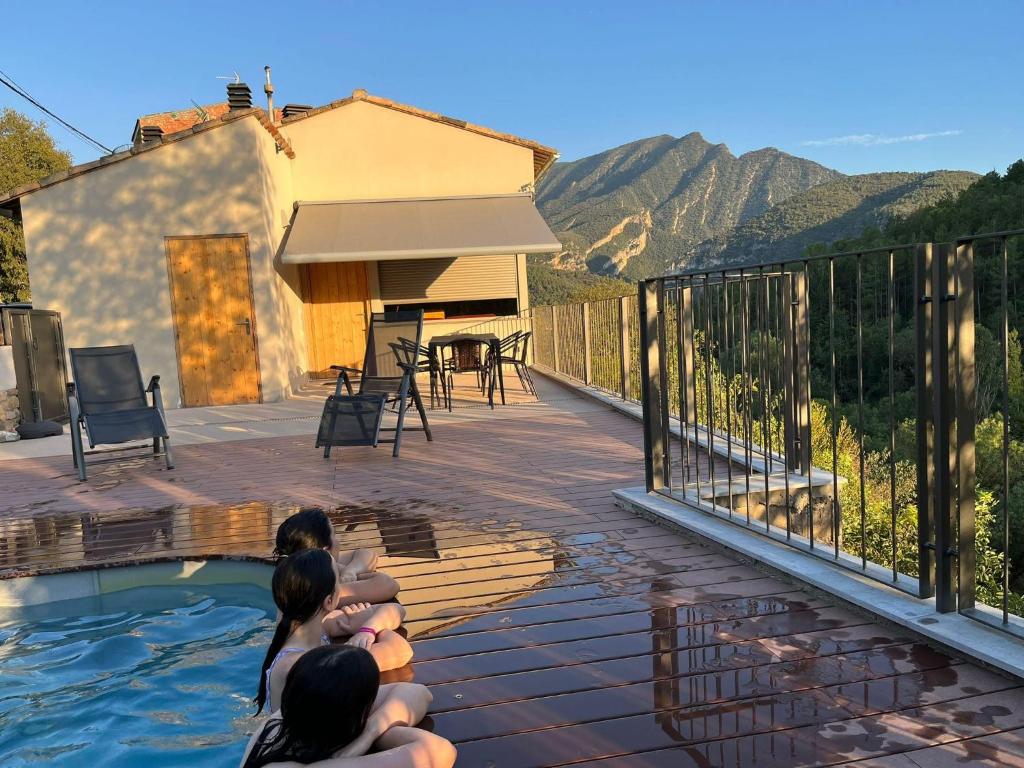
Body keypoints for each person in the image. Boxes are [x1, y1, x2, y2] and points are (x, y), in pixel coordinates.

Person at [242, 646, 455, 768]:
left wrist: (369, 732)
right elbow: (440, 751)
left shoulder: (280, 722)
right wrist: (373, 732)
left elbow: (418, 693)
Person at [256, 549, 413, 714]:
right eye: (339, 581)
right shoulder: (313, 665)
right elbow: (401, 651)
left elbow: (395, 610)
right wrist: (372, 630)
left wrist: (368, 629)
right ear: (330, 601)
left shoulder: (307, 628)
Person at [275, 508, 399, 605]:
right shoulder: (317, 593)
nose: (338, 541)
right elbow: (389, 585)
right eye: (334, 534)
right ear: (325, 549)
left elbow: (367, 554)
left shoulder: (296, 567)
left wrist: (351, 571)